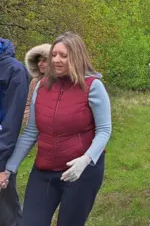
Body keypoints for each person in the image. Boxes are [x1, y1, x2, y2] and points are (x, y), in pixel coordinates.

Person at [4, 32, 112, 226]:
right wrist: (9, 169)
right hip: (44, 171)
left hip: (81, 173)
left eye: (63, 55)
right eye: (54, 55)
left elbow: (104, 130)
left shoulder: (92, 86)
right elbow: (30, 132)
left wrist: (86, 160)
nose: (57, 60)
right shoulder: (41, 86)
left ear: (77, 56)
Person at [0, 38, 30, 226]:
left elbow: (12, 121)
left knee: (6, 213)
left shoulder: (14, 70)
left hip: (0, 151)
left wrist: (2, 163)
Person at [23, 43, 51, 125]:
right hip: (35, 128)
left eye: (44, 61)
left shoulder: (62, 82)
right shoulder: (35, 82)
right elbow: (28, 104)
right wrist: (28, 120)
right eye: (39, 61)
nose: (40, 64)